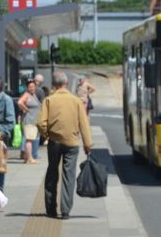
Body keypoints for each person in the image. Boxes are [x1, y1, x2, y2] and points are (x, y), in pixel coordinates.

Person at [37, 71, 92, 220]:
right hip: (72, 143)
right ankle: (66, 210)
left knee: (52, 172)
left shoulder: (49, 100)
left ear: (54, 85)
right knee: (69, 175)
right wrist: (87, 145)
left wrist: (47, 135)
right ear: (66, 84)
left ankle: (51, 209)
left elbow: (40, 123)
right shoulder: (76, 101)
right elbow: (84, 124)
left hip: (54, 142)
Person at [17, 80, 41, 164]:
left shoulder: (33, 95)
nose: (32, 88)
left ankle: (26, 158)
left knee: (30, 139)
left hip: (33, 121)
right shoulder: (26, 95)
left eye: (33, 86)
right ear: (27, 88)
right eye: (30, 87)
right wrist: (26, 109)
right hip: (29, 121)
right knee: (29, 140)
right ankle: (30, 158)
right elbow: (19, 102)